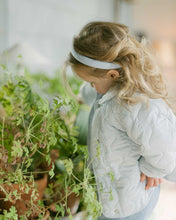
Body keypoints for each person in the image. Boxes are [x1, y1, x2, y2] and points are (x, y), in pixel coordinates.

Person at [64, 21, 176, 220]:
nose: (91, 87)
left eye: (91, 82)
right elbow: (95, 93)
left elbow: (167, 148)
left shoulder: (135, 105)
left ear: (112, 74)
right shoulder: (109, 86)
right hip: (113, 189)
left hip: (131, 198)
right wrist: (85, 93)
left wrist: (153, 169)